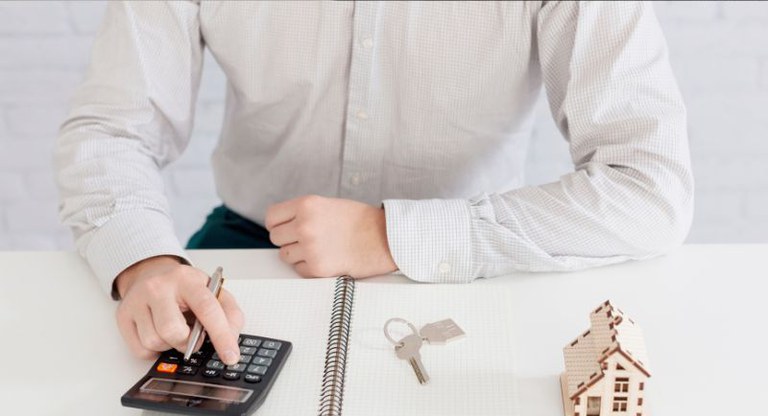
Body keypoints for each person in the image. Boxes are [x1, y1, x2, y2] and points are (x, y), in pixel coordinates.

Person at [55, 1, 693, 366]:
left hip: (481, 259)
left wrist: (392, 234)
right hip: (251, 250)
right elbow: (112, 129)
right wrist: (142, 261)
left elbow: (649, 187)